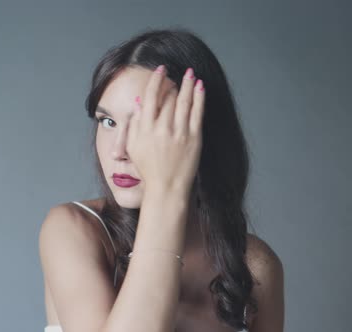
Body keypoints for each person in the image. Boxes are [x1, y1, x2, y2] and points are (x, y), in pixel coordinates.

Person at [38, 28, 284, 332]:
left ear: (201, 133)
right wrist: (166, 194)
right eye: (108, 121)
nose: (119, 150)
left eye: (146, 124)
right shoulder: (75, 230)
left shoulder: (255, 266)